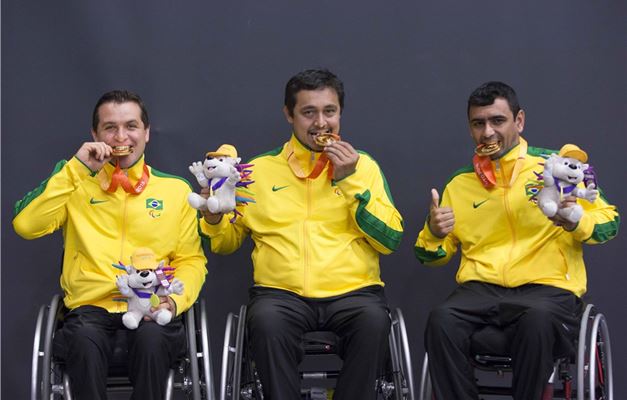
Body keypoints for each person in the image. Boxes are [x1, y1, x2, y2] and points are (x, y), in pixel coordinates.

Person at [199, 69, 404, 399]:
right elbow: (225, 244)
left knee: (373, 322)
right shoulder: (257, 171)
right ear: (289, 115)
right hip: (280, 295)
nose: (321, 123)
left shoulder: (363, 167)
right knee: (265, 322)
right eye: (309, 112)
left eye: (329, 111)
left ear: (340, 113)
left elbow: (390, 240)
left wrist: (349, 180)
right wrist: (212, 218)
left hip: (353, 292)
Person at [414, 81, 619, 400]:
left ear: (519, 121)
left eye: (497, 121)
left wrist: (576, 220)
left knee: (535, 319)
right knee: (440, 319)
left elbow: (609, 223)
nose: (487, 132)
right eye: (478, 123)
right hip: (481, 288)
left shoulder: (556, 168)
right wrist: (434, 232)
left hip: (546, 287)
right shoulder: (460, 183)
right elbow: (431, 255)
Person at [13, 90, 207, 400]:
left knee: (153, 339)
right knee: (83, 339)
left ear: (146, 132)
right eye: (110, 127)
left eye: (131, 126)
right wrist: (77, 168)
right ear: (95, 134)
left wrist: (173, 303)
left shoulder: (174, 190)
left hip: (153, 309)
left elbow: (191, 260)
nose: (121, 136)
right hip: (89, 310)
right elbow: (26, 225)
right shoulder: (74, 183)